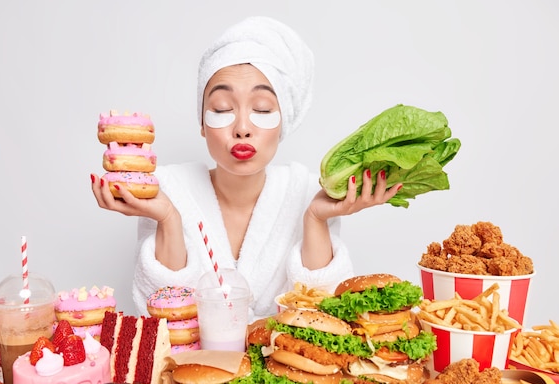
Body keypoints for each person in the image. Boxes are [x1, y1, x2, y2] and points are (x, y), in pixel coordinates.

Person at [91, 16, 401, 320]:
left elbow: (323, 315)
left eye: (262, 109)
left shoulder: (306, 192)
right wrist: (168, 219)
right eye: (222, 109)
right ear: (201, 123)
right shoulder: (169, 190)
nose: (242, 127)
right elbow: (159, 317)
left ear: (283, 122)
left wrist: (315, 219)